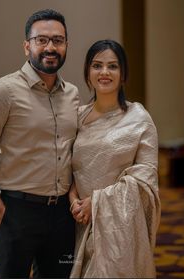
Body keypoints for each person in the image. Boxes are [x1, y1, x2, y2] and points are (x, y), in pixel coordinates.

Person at [0, 9, 79, 278]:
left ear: (66, 45)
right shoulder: (2, 92)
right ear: (27, 45)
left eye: (58, 40)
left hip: (62, 216)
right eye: (42, 40)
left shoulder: (73, 95)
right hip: (16, 212)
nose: (50, 47)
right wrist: (0, 212)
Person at [69, 39, 161, 278]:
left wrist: (97, 202)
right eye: (97, 65)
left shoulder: (138, 118)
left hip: (120, 227)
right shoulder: (76, 117)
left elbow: (144, 179)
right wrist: (73, 198)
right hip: (77, 220)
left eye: (113, 66)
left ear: (123, 75)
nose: (105, 72)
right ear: (88, 73)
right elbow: (66, 167)